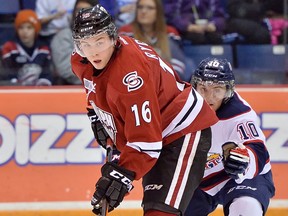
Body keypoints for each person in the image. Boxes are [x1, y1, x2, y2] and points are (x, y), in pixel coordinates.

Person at [70, 4, 219, 216]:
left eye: (99, 41)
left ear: (114, 38)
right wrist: (96, 114)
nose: (93, 50)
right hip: (156, 130)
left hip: (181, 130)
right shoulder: (81, 59)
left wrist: (120, 175)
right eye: (84, 43)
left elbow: (146, 142)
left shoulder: (131, 76)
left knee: (160, 212)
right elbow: (94, 88)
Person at [184, 57, 275, 216]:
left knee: (247, 207)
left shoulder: (239, 114)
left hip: (241, 178)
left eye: (217, 89)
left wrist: (245, 161)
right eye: (203, 88)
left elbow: (258, 150)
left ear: (228, 91)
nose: (209, 97)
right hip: (199, 178)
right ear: (194, 86)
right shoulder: (181, 105)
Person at [119, 0, 194, 81]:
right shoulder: (126, 32)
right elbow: (122, 64)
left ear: (158, 12)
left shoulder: (170, 33)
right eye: (140, 7)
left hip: (167, 83)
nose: (143, 11)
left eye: (150, 8)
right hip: (135, 81)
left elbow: (178, 65)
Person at [50, 0, 99, 85]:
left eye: (87, 10)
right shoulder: (63, 36)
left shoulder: (105, 37)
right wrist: (95, 78)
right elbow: (65, 69)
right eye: (78, 10)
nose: (82, 14)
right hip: (73, 88)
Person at [1, 9, 52, 86]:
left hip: (39, 91)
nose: (25, 32)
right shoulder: (9, 48)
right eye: (21, 28)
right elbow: (6, 73)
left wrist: (43, 83)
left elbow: (48, 72)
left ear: (36, 30)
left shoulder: (44, 49)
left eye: (29, 28)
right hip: (15, 91)